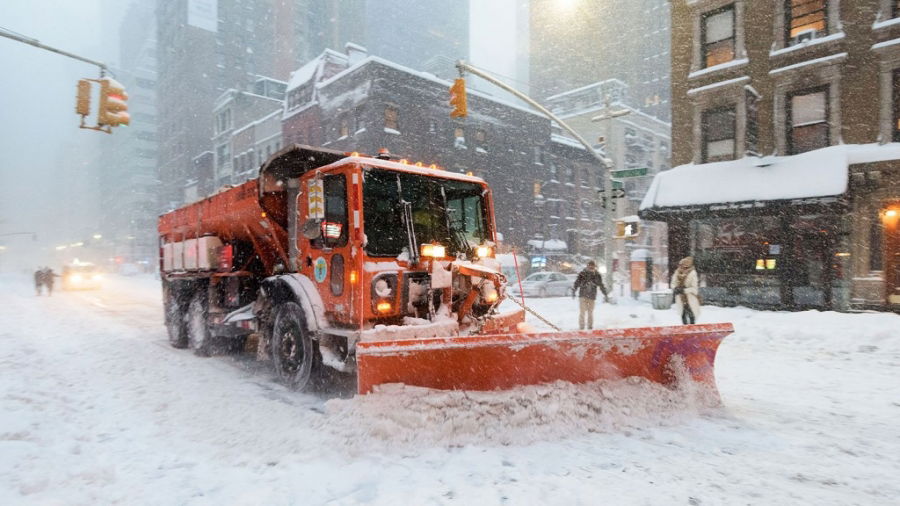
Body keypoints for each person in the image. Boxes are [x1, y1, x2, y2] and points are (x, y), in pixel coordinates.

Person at [572, 261, 609, 330]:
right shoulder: (582, 274)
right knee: (582, 312)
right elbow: (577, 283)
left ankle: (590, 327)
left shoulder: (597, 275)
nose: (591, 267)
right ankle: (582, 327)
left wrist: (605, 293)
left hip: (591, 296)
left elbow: (601, 285)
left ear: (594, 267)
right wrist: (574, 290)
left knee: (590, 312)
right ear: (587, 266)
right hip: (583, 295)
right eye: (590, 266)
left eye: (593, 266)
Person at [671, 256, 701, 324]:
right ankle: (685, 329)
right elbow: (673, 283)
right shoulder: (677, 272)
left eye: (685, 265)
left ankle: (692, 329)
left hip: (690, 298)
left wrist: (684, 290)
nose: (682, 267)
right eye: (681, 265)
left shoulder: (693, 273)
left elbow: (694, 289)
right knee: (683, 315)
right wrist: (675, 288)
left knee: (691, 315)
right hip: (680, 298)